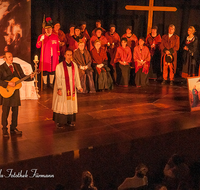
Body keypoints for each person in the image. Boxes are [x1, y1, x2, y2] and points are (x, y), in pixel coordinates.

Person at [0, 52, 34, 137]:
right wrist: (7, 84)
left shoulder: (16, 66)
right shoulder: (1, 68)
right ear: (5, 59)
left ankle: (13, 127)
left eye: (11, 56)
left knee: (15, 111)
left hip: (15, 92)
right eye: (9, 57)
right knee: (5, 111)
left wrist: (30, 77)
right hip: (6, 91)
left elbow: (22, 77)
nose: (11, 58)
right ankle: (4, 129)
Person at [52, 49, 83, 128]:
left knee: (70, 104)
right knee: (61, 103)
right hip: (63, 87)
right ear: (65, 56)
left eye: (70, 55)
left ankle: (69, 121)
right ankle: (59, 121)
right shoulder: (59, 66)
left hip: (71, 88)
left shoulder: (74, 65)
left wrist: (79, 86)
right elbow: (58, 78)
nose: (69, 56)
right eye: (68, 55)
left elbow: (76, 77)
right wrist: (59, 88)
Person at [36, 17, 60, 89]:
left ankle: (51, 83)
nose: (48, 30)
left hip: (54, 56)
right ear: (45, 29)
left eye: (49, 29)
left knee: (52, 70)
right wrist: (40, 40)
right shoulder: (41, 36)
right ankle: (45, 84)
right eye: (46, 29)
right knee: (45, 70)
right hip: (45, 56)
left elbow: (57, 46)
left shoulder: (55, 36)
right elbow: (37, 46)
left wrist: (58, 54)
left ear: (51, 29)